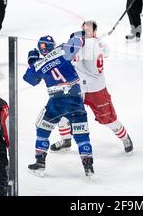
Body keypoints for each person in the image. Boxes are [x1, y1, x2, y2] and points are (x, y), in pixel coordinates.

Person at [50, 21, 134, 154]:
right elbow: (105, 51)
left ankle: (125, 138)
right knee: (63, 114)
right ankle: (66, 141)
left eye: (88, 30)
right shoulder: (95, 43)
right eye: (83, 30)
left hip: (96, 90)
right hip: (78, 89)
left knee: (108, 119)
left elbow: (69, 56)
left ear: (94, 32)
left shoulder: (89, 46)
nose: (84, 33)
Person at [23, 33, 94, 177]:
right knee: (81, 133)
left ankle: (40, 162)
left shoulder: (39, 64)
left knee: (42, 129)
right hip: (75, 99)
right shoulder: (62, 49)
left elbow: (30, 79)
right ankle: (88, 165)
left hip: (56, 102)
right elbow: (79, 40)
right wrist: (81, 35)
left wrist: (32, 62)